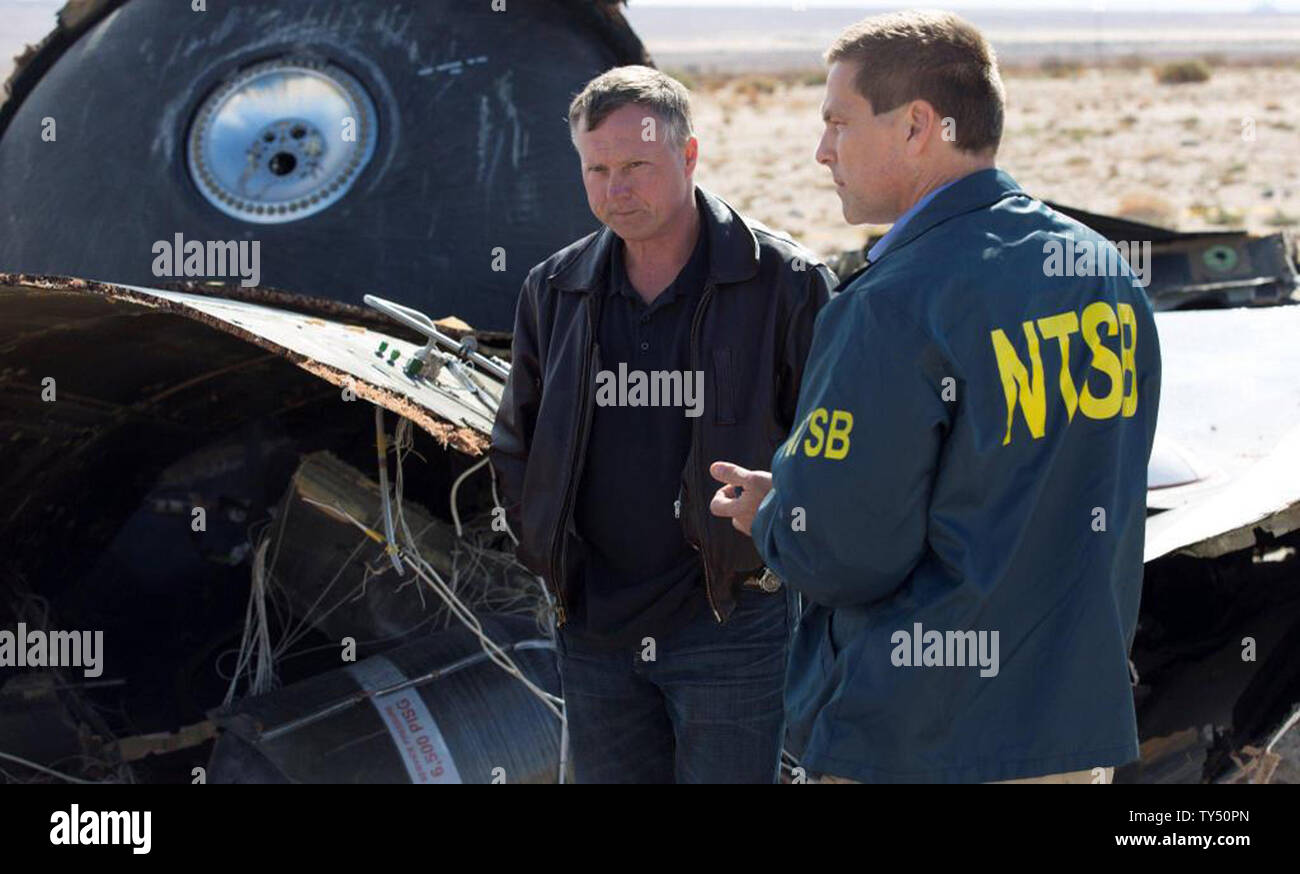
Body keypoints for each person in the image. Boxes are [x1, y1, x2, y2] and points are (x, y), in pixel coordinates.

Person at [710, 10, 1161, 784]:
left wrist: (779, 514)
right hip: (1068, 738)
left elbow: (843, 551)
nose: (821, 152)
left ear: (919, 126)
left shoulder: (893, 302)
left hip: (919, 740)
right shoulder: (1105, 274)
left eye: (838, 123)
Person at [490, 66, 833, 783]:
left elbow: (836, 443)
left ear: (688, 155)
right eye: (598, 169)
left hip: (729, 617)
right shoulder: (555, 288)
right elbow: (515, 438)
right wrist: (543, 544)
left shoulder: (784, 281)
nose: (617, 189)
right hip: (592, 624)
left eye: (638, 165)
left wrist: (780, 530)